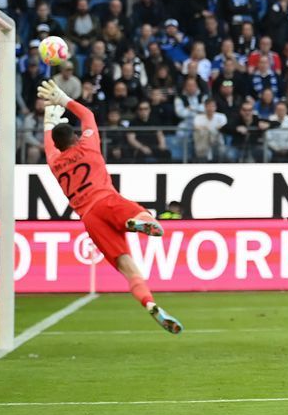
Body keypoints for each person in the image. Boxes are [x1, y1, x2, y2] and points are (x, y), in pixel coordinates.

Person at [37, 80, 182, 334]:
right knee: (155, 224)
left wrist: (48, 122)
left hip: (90, 218)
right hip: (107, 200)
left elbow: (49, 145)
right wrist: (62, 99)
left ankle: (150, 304)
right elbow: (88, 115)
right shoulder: (88, 145)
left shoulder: (55, 162)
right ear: (76, 137)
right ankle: (134, 223)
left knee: (128, 267)